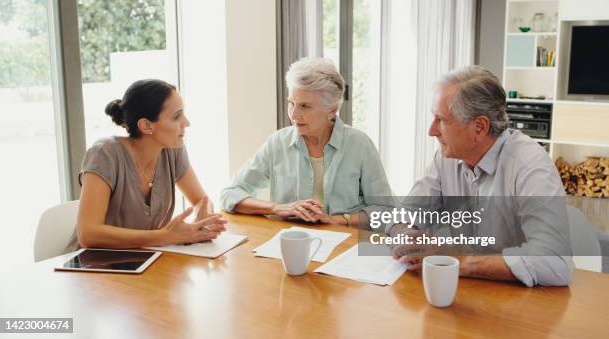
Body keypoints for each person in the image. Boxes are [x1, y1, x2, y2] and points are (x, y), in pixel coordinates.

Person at [388, 65, 573, 287]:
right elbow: (405, 213)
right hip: (464, 289)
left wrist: (454, 260)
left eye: (441, 120)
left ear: (479, 127)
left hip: (521, 301)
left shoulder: (530, 165)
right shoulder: (446, 157)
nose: (431, 131)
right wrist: (405, 235)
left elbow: (555, 263)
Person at [220, 57, 391, 227]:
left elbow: (386, 211)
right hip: (290, 242)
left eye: (305, 106)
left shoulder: (359, 145)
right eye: (291, 103)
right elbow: (230, 194)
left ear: (332, 110)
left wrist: (337, 220)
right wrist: (277, 208)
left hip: (345, 244)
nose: (293, 115)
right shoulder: (277, 143)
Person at [66, 79, 226, 251]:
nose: (186, 123)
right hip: (92, 266)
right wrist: (165, 237)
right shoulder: (104, 154)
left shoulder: (172, 149)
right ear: (146, 125)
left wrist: (204, 216)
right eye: (176, 116)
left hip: (142, 260)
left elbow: (201, 200)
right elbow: (88, 234)